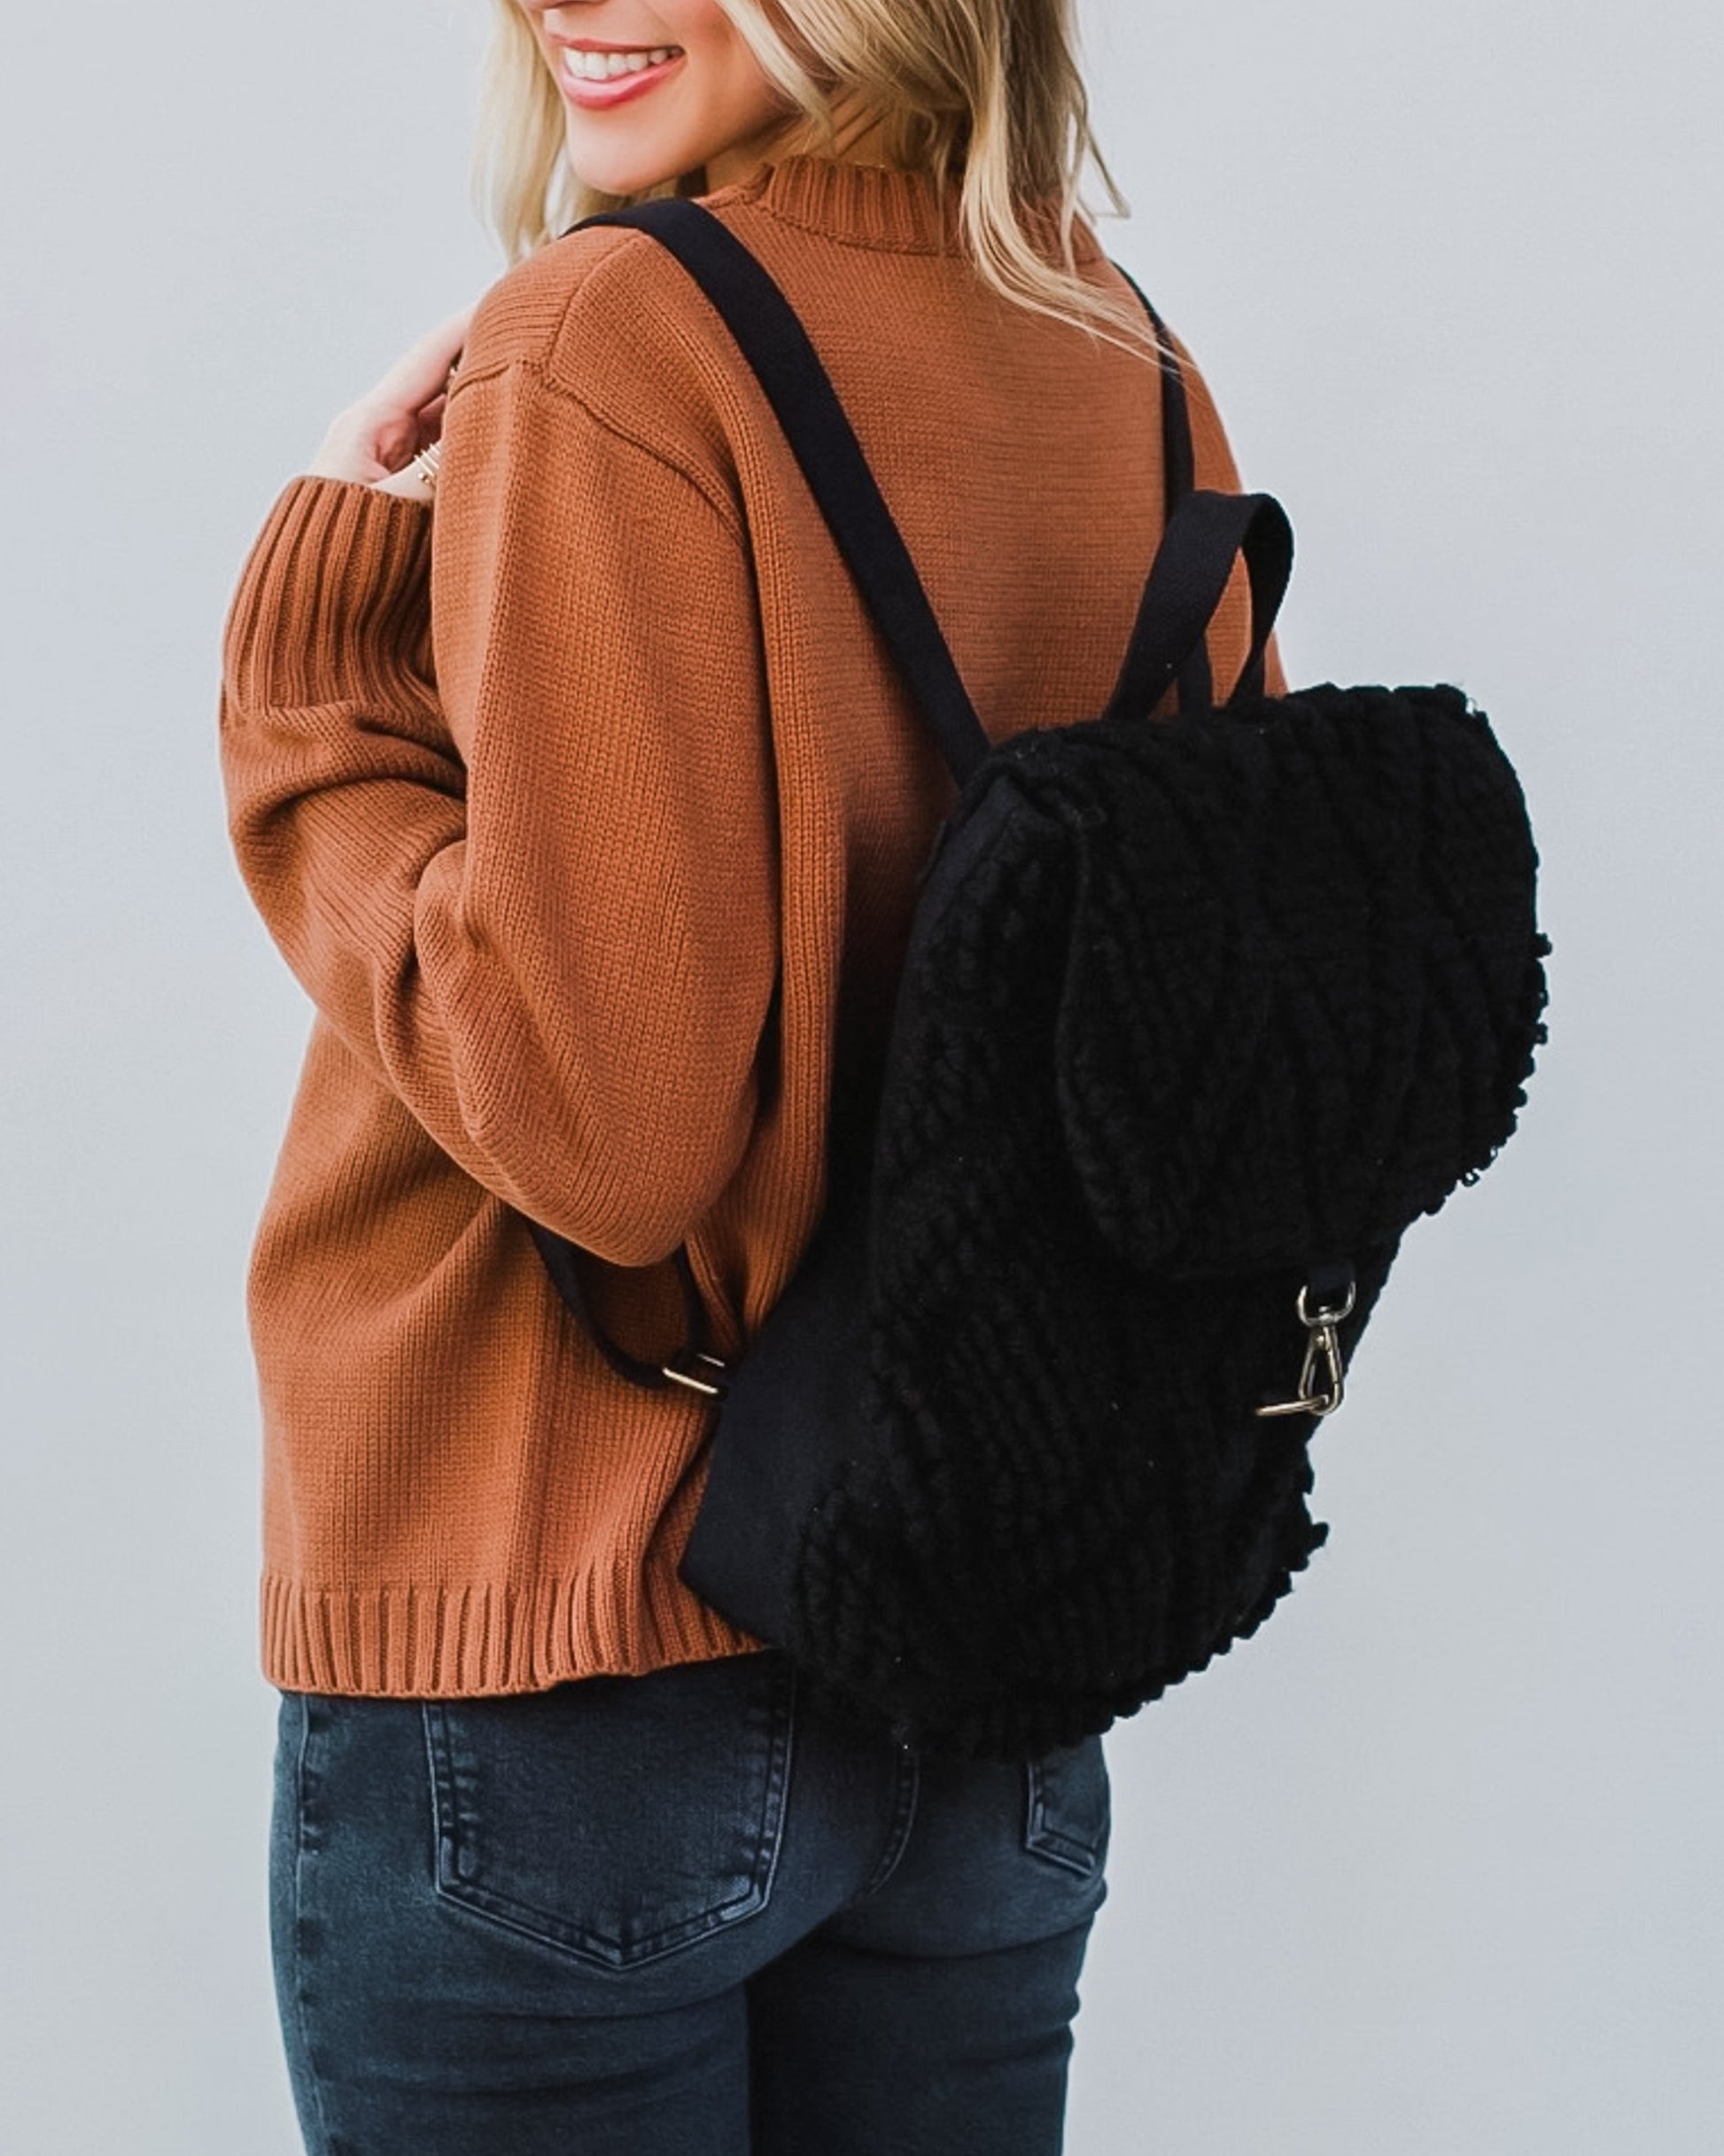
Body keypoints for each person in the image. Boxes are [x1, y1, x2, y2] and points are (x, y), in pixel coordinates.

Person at [219, 4, 1281, 2149]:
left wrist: (315, 706)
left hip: (565, 1658)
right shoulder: (1127, 358)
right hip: (983, 1649)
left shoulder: (611, 334)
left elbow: (604, 1133)